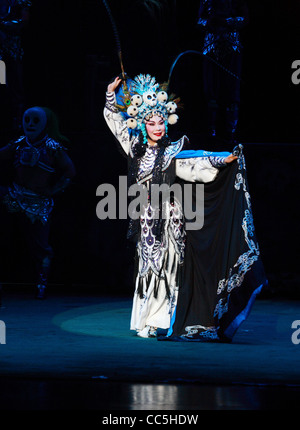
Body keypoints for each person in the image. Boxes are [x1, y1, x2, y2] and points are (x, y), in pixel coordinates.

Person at [103, 74, 266, 341]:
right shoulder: (136, 149)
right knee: (149, 266)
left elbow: (197, 162)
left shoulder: (174, 151)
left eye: (160, 122)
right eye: (151, 123)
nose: (157, 127)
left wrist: (224, 159)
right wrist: (111, 96)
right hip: (146, 218)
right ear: (143, 125)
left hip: (171, 218)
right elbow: (117, 125)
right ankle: (148, 320)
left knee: (169, 267)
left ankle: (165, 320)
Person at [0, 106, 76, 299]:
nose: (30, 125)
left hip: (38, 202)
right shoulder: (18, 143)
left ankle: (41, 284)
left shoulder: (52, 147)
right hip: (14, 197)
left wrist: (54, 190)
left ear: (44, 124)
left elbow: (69, 171)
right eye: (27, 120)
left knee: (40, 247)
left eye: (35, 121)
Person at [197, 0, 249, 143]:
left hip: (232, 46)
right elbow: (200, 20)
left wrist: (228, 21)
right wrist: (210, 23)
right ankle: (211, 132)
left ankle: (231, 133)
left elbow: (245, 18)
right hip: (211, 47)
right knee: (211, 90)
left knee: (232, 91)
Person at [0, 0, 31, 134]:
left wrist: (3, 25)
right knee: (2, 84)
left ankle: (17, 121)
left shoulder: (20, 2)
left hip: (13, 52)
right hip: (1, 54)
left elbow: (24, 22)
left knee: (15, 87)